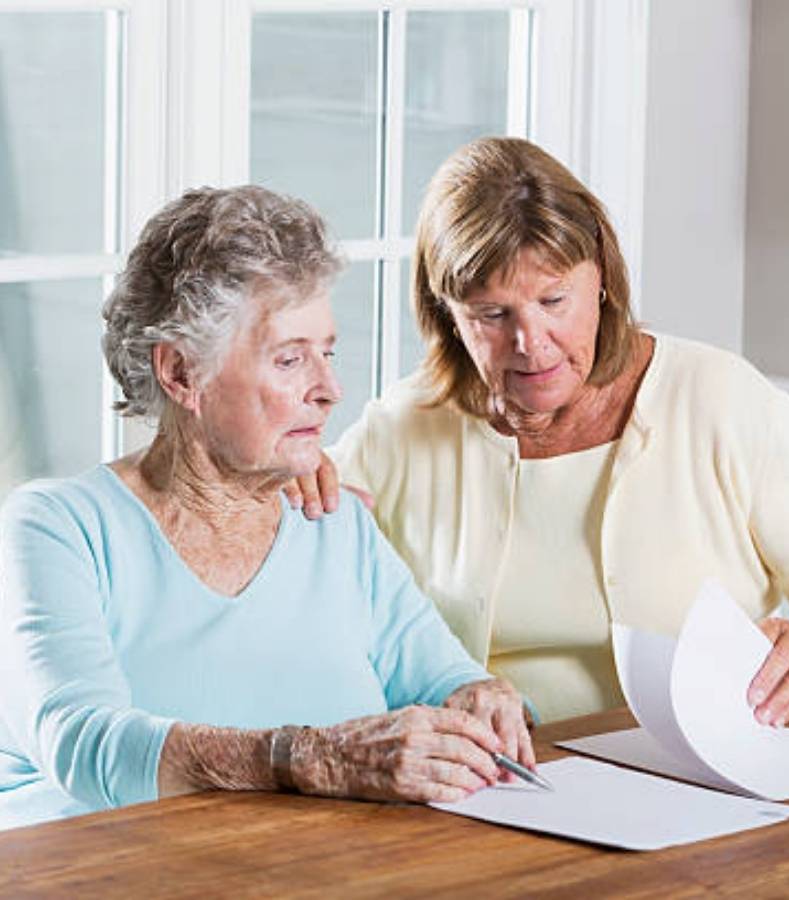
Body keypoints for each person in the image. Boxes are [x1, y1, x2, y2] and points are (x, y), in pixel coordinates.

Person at [296, 136, 789, 725]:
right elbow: (294, 557)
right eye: (493, 314)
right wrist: (288, 487)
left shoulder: (722, 401)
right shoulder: (404, 428)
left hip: (694, 781)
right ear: (448, 317)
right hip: (488, 787)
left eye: (555, 300)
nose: (531, 344)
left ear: (603, 280)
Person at [0, 185, 532, 832]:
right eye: (290, 359)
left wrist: (481, 699)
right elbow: (84, 744)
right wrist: (305, 757)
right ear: (180, 374)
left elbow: (440, 677)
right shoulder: (58, 528)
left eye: (327, 352)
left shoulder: (333, 522)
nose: (330, 390)